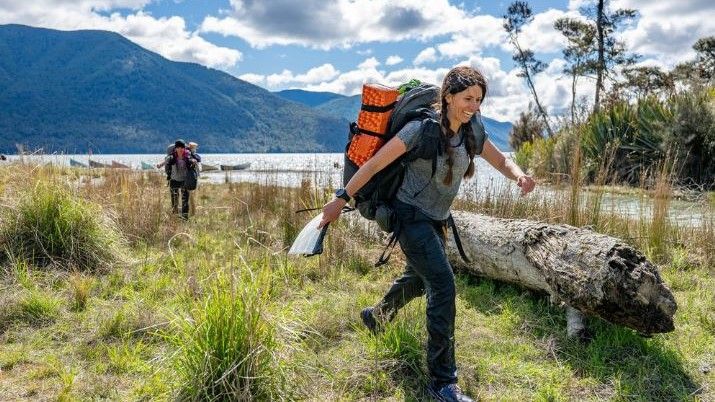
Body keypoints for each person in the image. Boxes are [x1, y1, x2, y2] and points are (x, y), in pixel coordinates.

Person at [319, 66, 536, 402]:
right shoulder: (421, 130)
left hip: (437, 218)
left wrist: (519, 175)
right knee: (443, 285)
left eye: (478, 100)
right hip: (409, 216)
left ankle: (376, 316)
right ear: (447, 96)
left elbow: (500, 160)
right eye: (467, 98)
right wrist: (340, 199)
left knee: (419, 279)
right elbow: (374, 165)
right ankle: (442, 381)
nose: (473, 105)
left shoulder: (471, 129)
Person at [163, 139, 198, 220]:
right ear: (175, 148)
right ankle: (175, 217)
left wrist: (193, 162)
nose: (180, 149)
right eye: (178, 147)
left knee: (185, 199)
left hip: (185, 180)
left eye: (182, 147)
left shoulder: (188, 157)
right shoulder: (171, 158)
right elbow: (166, 168)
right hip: (174, 180)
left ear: (184, 148)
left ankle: (185, 217)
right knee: (174, 200)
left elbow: (194, 165)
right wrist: (169, 175)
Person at [187, 142, 202, 216]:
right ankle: (192, 212)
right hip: (190, 177)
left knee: (191, 194)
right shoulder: (188, 153)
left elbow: (198, 159)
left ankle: (192, 211)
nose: (195, 149)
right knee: (190, 194)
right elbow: (197, 159)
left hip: (193, 176)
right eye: (194, 147)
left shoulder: (193, 154)